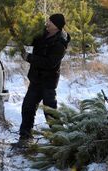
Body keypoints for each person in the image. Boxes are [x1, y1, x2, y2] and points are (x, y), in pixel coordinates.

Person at [15, 13, 71, 148]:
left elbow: (50, 63)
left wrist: (30, 58)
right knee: (27, 107)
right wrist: (17, 30)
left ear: (56, 26)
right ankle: (25, 137)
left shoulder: (60, 43)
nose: (47, 23)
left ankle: (60, 140)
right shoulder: (43, 34)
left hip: (48, 82)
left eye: (50, 22)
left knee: (50, 112)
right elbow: (30, 40)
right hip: (36, 80)